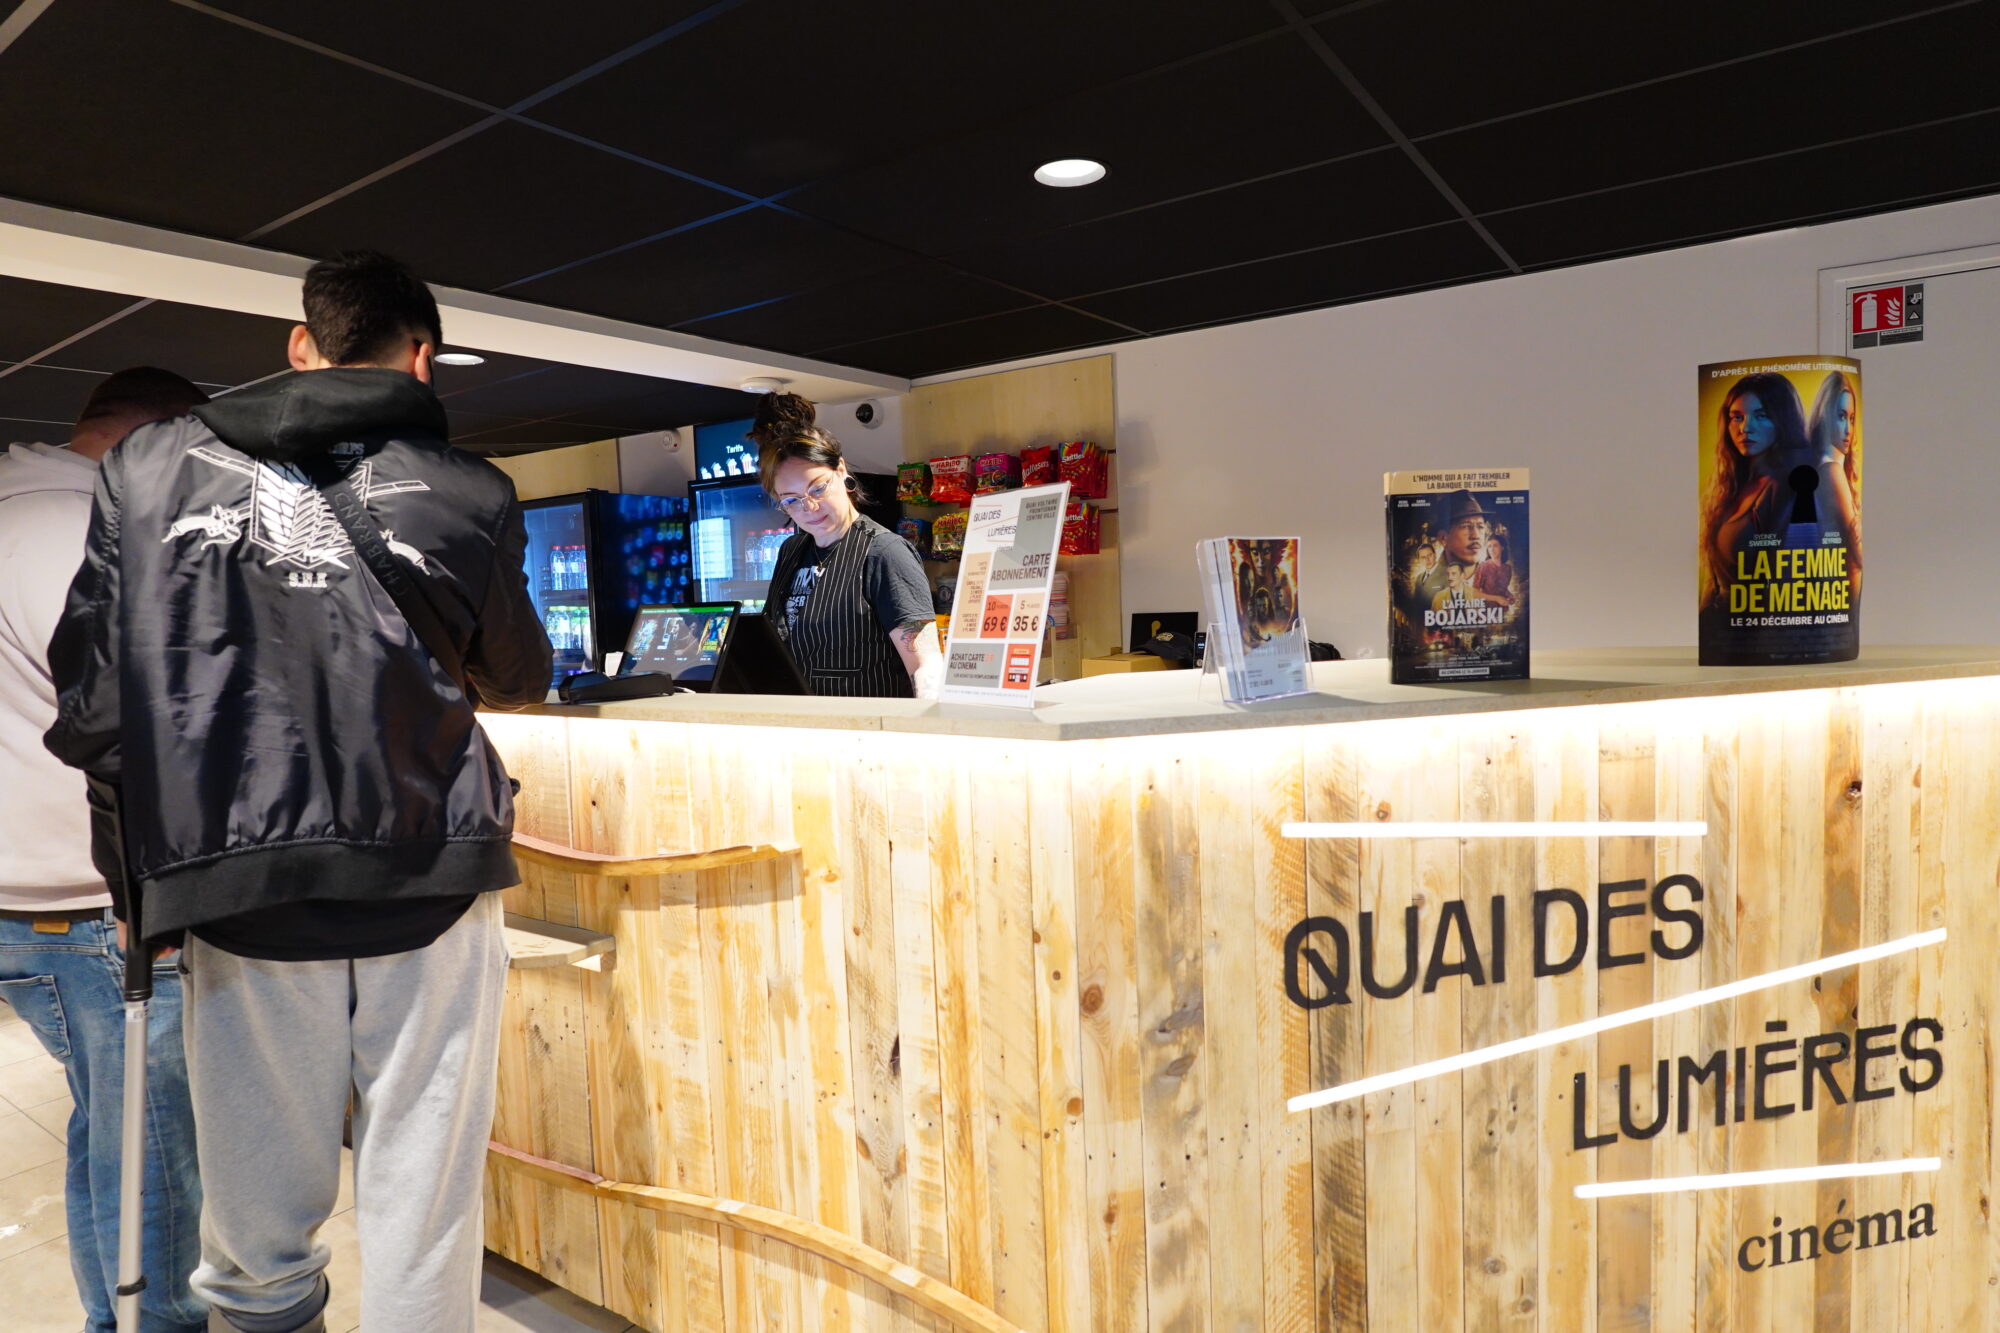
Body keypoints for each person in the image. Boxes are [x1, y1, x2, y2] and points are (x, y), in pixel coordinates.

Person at [44, 252, 553, 1333]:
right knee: (423, 1212)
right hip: (432, 869)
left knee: (256, 1234)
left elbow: (94, 705)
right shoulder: (470, 489)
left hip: (240, 888)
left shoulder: (145, 469)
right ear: (423, 357)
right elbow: (519, 676)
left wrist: (135, 883)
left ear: (301, 344)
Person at [1, 368, 212, 1333]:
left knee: (107, 1132)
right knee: (156, 1157)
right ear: (154, 440)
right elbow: (132, 721)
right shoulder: (68, 526)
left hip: (35, 898)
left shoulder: (17, 504)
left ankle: (110, 1318)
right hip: (94, 904)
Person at [751, 394, 940, 698]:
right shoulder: (791, 552)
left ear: (840, 470)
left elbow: (925, 665)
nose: (809, 508)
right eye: (791, 501)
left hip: (870, 723)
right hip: (803, 721)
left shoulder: (884, 553)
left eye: (818, 489)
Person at [1697, 372, 1809, 610]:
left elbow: (1787, 583)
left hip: (1759, 624)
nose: (1745, 428)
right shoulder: (1728, 486)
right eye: (1736, 417)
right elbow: (1712, 581)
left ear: (1783, 421)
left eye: (1762, 416)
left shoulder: (1784, 487)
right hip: (1719, 625)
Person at [1806, 369, 1864, 597]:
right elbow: (1857, 555)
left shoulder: (1825, 467)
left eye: (1852, 418)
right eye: (1841, 416)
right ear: (1825, 416)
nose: (1849, 429)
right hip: (1842, 597)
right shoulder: (1831, 471)